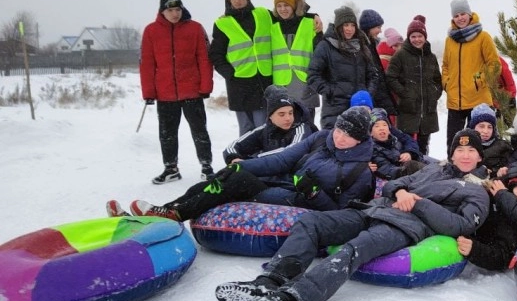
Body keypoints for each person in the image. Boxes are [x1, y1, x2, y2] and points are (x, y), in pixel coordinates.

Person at [213, 128, 491, 301]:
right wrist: (400, 193)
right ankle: (269, 282)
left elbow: (461, 225)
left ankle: (291, 299)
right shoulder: (434, 169)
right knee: (312, 222)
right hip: (373, 210)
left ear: (479, 157)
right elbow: (395, 183)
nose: (465, 155)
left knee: (354, 249)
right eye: (460, 149)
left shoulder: (477, 191)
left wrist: (416, 202)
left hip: (406, 227)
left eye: (471, 151)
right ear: (452, 153)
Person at [108, 106, 374, 220]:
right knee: (232, 173)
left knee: (238, 181)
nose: (339, 138)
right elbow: (282, 159)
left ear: (360, 139)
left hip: (297, 198)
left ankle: (174, 214)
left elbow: (341, 213)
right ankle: (167, 210)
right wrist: (242, 164)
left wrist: (313, 192)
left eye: (347, 136)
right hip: (281, 182)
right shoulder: (322, 138)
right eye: (339, 130)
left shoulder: (360, 171)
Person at [140, 0, 214, 183]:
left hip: (192, 91)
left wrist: (205, 86)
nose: (175, 13)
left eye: (178, 9)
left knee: (200, 131)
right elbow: (147, 63)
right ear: (162, 11)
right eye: (170, 10)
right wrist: (148, 92)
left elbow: (205, 58)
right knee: (167, 134)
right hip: (165, 94)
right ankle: (171, 168)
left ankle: (206, 166)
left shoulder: (195, 28)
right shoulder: (151, 31)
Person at [209, 0, 273, 135]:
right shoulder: (222, 23)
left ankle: (261, 158)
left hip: (263, 80)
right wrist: (230, 74)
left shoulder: (264, 14)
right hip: (239, 83)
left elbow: (288, 18)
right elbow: (216, 54)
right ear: (228, 0)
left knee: (263, 126)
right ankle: (243, 159)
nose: (237, 1)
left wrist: (313, 15)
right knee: (245, 129)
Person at [442, 0, 500, 148]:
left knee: (481, 142)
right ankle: (453, 169)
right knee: (453, 143)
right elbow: (446, 65)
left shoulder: (483, 37)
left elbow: (494, 64)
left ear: (469, 14)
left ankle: (482, 169)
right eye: (456, 15)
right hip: (455, 101)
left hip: (478, 99)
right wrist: (447, 83)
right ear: (453, 18)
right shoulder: (450, 40)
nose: (460, 18)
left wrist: (479, 80)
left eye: (463, 14)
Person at [307, 6, 378, 129]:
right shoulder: (326, 46)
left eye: (352, 25)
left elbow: (373, 75)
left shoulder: (362, 46)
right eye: (346, 25)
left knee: (359, 145)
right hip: (334, 109)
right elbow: (313, 75)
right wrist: (331, 91)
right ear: (339, 26)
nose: (349, 29)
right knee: (335, 143)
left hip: (360, 107)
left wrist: (366, 94)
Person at [221, 85, 317, 172]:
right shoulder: (266, 129)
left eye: (290, 113)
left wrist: (249, 163)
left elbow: (288, 153)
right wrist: (234, 158)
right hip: (273, 177)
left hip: (296, 179)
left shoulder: (303, 128)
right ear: (270, 116)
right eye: (281, 114)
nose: (288, 118)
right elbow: (233, 147)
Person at [385, 16, 442, 156]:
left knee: (424, 145)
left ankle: (423, 169)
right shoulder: (401, 55)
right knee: (406, 145)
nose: (417, 39)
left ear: (425, 37)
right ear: (408, 37)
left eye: (420, 36)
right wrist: (404, 93)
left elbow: (437, 79)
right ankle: (408, 172)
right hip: (408, 109)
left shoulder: (431, 57)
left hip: (427, 110)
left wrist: (435, 93)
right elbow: (390, 77)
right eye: (413, 36)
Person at [270, 0, 323, 122]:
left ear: (294, 6)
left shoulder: (309, 23)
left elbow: (320, 53)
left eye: (286, 5)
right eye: (279, 6)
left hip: (304, 82)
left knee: (306, 126)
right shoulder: (272, 25)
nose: (283, 9)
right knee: (285, 127)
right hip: (281, 84)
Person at [359, 9, 398, 119]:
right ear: (369, 27)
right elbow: (371, 75)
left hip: (376, 96)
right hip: (371, 98)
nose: (380, 31)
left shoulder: (370, 44)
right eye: (378, 27)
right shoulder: (363, 47)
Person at [369, 108, 425, 180]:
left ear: (389, 130)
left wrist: (409, 153)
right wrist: (408, 168)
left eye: (384, 125)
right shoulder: (373, 150)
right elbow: (387, 170)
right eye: (377, 126)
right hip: (403, 179)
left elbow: (415, 149)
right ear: (371, 133)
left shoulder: (396, 140)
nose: (381, 128)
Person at [467, 102, 512, 177]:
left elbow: (510, 168)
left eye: (489, 127)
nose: (485, 131)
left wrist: (497, 173)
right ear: (473, 127)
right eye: (481, 126)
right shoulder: (463, 146)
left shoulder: (503, 147)